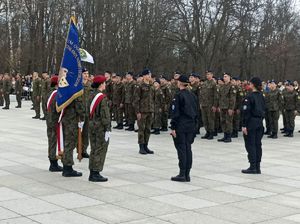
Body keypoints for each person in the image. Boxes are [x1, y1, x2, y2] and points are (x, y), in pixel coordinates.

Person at [170, 74, 198, 182]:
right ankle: (187, 174)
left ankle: (182, 173)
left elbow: (175, 113)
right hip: (191, 125)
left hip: (181, 126)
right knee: (188, 149)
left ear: (180, 83)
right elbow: (197, 112)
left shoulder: (178, 95)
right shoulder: (193, 95)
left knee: (181, 149)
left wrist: (173, 127)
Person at [88, 75, 111, 182]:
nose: (105, 85)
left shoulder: (91, 95)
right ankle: (95, 172)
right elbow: (105, 115)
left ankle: (92, 171)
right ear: (101, 84)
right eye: (104, 83)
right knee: (100, 149)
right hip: (100, 127)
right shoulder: (102, 97)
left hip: (92, 124)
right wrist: (108, 129)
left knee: (93, 148)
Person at [241, 77, 265, 174]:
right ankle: (257, 166)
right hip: (259, 122)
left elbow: (246, 112)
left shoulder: (249, 97)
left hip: (251, 123)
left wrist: (244, 125)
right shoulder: (261, 96)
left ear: (253, 85)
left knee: (250, 145)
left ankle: (253, 166)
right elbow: (264, 110)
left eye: (250, 83)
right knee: (257, 144)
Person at [133, 69, 155, 155]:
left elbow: (153, 99)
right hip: (142, 111)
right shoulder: (139, 86)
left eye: (150, 74)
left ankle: (146, 145)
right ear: (144, 76)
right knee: (141, 129)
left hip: (150, 110)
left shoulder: (152, 86)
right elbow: (136, 100)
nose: (149, 76)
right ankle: (141, 146)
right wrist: (137, 112)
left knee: (148, 129)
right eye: (147, 75)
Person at [46, 75, 63, 172]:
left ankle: (53, 161)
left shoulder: (49, 93)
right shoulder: (56, 94)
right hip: (55, 120)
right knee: (53, 141)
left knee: (51, 141)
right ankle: (53, 164)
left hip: (49, 120)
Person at [198, 70, 218, 139]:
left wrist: (215, 105)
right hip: (204, 104)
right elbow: (201, 94)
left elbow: (216, 96)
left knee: (210, 119)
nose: (208, 76)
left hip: (210, 104)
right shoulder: (204, 83)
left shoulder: (214, 83)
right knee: (205, 119)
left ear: (212, 75)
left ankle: (211, 133)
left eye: (209, 74)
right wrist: (200, 103)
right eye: (207, 74)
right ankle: (207, 132)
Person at [217, 73, 236, 143]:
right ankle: (225, 135)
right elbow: (219, 97)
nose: (224, 78)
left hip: (228, 107)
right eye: (224, 76)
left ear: (229, 77)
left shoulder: (232, 86)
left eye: (226, 76)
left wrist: (231, 108)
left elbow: (233, 98)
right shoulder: (222, 86)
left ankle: (229, 137)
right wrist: (219, 106)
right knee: (223, 121)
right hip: (222, 106)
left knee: (228, 122)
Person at [81, 68, 91, 158]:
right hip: (79, 113)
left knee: (86, 132)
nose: (86, 75)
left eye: (87, 73)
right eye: (84, 73)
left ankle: (84, 150)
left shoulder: (90, 85)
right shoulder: (77, 85)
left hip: (88, 112)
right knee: (77, 132)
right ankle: (78, 149)